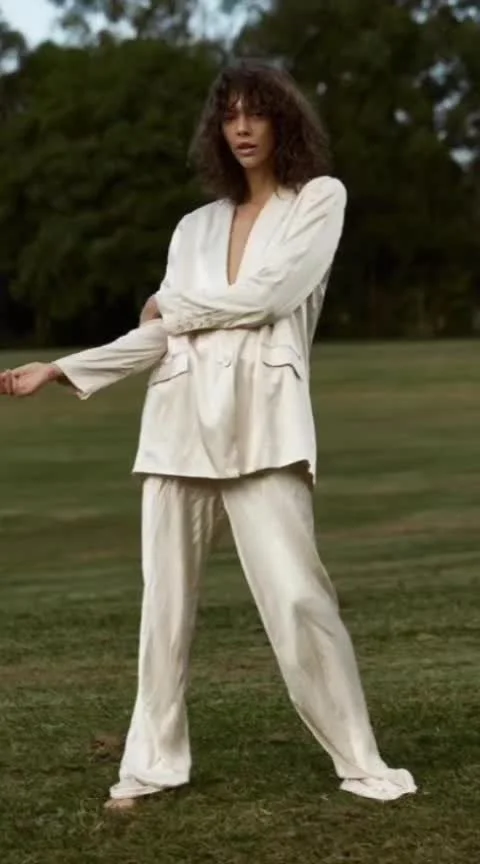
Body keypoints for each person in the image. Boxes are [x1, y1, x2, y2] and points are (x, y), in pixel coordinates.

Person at [0, 61, 416, 809]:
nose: (243, 128)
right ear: (217, 130)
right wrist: (61, 369)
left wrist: (173, 305)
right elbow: (156, 336)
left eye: (257, 113)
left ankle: (361, 760)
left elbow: (271, 296)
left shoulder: (319, 199)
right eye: (230, 116)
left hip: (265, 426)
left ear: (284, 121)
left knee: (298, 599)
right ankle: (151, 764)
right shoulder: (192, 227)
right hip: (177, 425)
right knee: (163, 610)